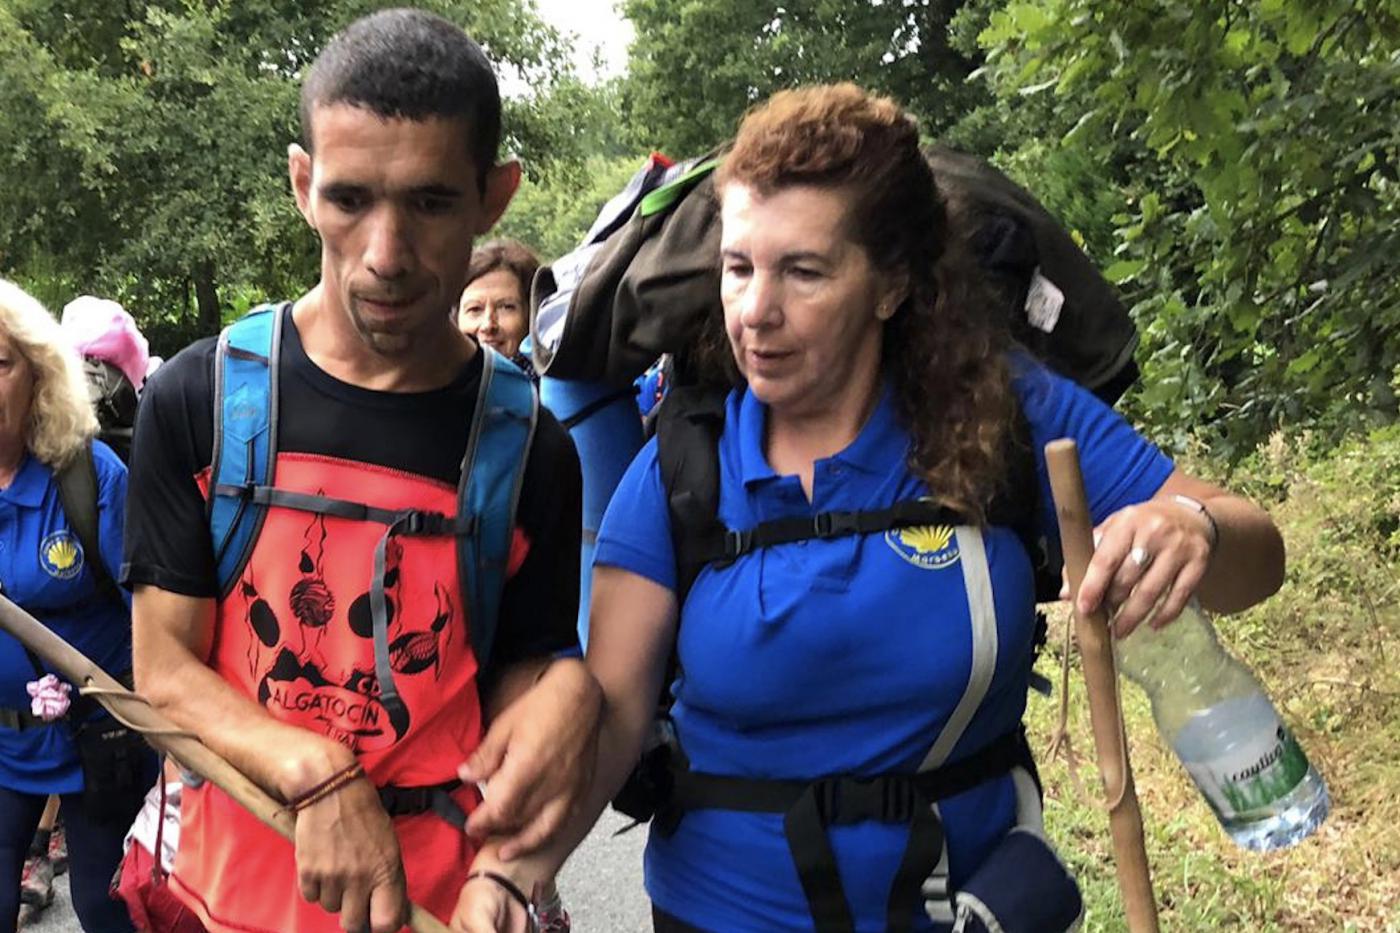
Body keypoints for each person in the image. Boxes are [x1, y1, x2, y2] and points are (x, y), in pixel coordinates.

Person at [450, 84, 1287, 932]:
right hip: (720, 912)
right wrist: (508, 875)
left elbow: (1258, 554)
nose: (756, 310)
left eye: (803, 271)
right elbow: (616, 719)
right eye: (738, 268)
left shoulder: (1003, 413)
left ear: (889, 285)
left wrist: (1195, 529)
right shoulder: (684, 464)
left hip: (966, 907)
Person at [123, 11, 601, 933]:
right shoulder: (203, 400)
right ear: (304, 185)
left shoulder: (531, 445)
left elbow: (521, 686)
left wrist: (510, 861)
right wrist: (318, 770)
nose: (385, 255)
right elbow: (161, 672)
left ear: (493, 196)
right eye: (348, 199)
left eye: (428, 202)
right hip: (226, 904)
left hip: (439, 902)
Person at [0, 278, 156, 933]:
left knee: (103, 906)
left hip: (103, 739)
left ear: (38, 375)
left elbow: (157, 616)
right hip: (4, 744)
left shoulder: (89, 478)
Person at [458, 239, 538, 376]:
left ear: (531, 315)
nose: (488, 325)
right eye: (475, 309)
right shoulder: (427, 383)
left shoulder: (550, 391)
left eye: (506, 307)